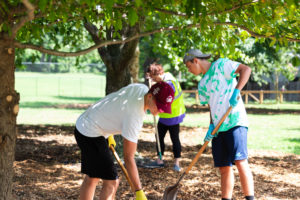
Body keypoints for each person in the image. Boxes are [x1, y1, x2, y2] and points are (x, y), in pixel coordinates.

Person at [74, 82, 174, 200]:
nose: (160, 111)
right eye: (159, 106)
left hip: (88, 122)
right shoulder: (134, 117)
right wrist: (139, 191)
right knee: (112, 181)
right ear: (150, 97)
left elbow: (117, 100)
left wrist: (108, 132)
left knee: (93, 176)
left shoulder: (141, 88)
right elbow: (128, 157)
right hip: (90, 132)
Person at [183, 49, 254, 200]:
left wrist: (237, 91)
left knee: (240, 162)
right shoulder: (202, 84)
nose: (189, 70)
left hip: (234, 121)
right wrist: (211, 126)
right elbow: (212, 106)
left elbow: (246, 70)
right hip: (218, 127)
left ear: (195, 60)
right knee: (224, 168)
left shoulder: (221, 65)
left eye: (188, 66)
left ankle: (250, 198)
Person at [146, 62, 186, 172]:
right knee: (158, 137)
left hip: (173, 115)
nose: (152, 79)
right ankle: (160, 159)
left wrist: (155, 107)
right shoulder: (163, 80)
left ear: (158, 73)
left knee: (175, 139)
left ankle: (177, 163)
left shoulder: (169, 83)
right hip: (164, 116)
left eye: (153, 77)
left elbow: (166, 100)